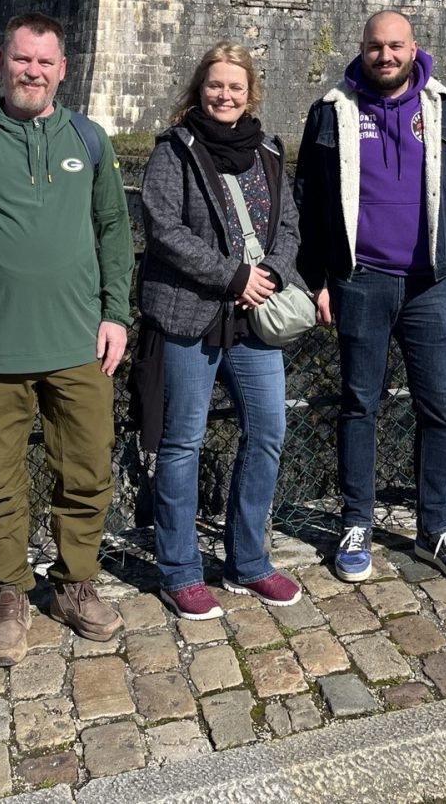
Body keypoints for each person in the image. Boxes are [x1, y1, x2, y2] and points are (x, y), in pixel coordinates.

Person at [0, 12, 135, 666]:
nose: (32, 71)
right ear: (1, 63)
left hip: (78, 343)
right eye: (22, 59)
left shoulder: (90, 140)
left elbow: (115, 230)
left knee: (89, 470)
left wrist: (116, 313)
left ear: (62, 69)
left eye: (45, 61)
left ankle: (74, 583)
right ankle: (8, 594)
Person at [294, 10, 446, 585]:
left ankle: (436, 525)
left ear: (413, 49)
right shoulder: (331, 110)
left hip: (431, 285)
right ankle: (357, 522)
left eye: (395, 46)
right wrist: (319, 278)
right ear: (362, 49)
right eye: (376, 46)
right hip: (360, 280)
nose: (385, 55)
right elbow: (308, 199)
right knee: (359, 405)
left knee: (440, 408)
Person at [137, 42, 305, 620]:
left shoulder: (268, 151)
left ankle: (247, 560)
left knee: (267, 432)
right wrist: (234, 276)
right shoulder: (173, 151)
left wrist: (272, 274)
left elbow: (288, 223)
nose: (225, 96)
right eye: (215, 86)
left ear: (250, 92)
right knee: (183, 442)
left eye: (236, 87)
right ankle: (180, 570)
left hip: (253, 316)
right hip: (191, 312)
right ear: (198, 90)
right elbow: (164, 229)